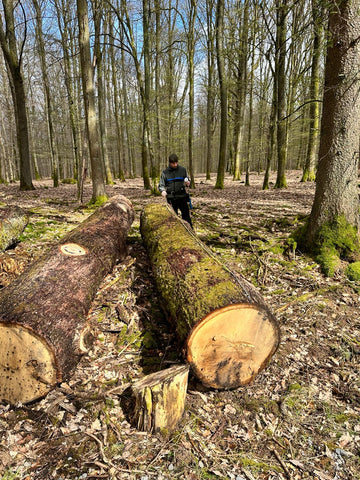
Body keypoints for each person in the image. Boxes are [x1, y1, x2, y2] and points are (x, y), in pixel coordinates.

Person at [158, 153, 193, 228]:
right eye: (173, 163)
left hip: (182, 196)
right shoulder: (165, 172)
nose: (175, 164)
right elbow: (161, 185)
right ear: (170, 163)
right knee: (173, 217)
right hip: (171, 198)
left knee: (186, 216)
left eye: (176, 162)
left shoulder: (183, 170)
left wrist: (188, 182)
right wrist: (163, 191)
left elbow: (187, 180)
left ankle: (190, 231)